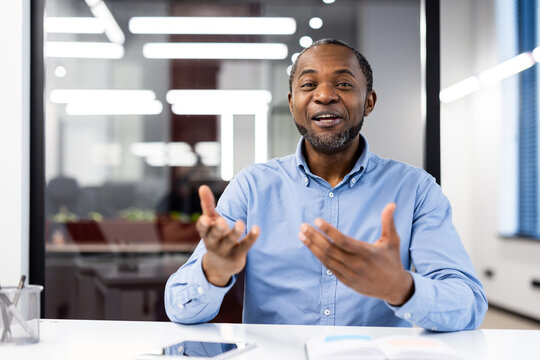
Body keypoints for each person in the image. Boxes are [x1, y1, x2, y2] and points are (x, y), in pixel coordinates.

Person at [164, 38, 488, 331]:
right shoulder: (251, 187)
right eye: (308, 85)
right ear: (292, 103)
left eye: (344, 84)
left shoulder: (415, 189)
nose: (324, 96)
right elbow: (180, 308)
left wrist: (400, 287)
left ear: (369, 102)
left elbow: (469, 305)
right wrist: (214, 271)